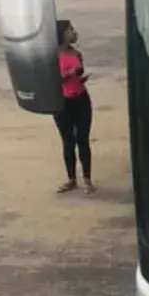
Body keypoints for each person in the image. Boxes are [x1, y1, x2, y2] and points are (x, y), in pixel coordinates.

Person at [54, 19, 95, 194]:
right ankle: (71, 178)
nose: (73, 32)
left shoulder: (76, 54)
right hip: (62, 102)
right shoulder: (53, 56)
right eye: (70, 29)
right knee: (68, 141)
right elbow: (52, 80)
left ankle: (87, 179)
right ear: (62, 33)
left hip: (80, 99)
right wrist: (69, 74)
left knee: (83, 139)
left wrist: (81, 78)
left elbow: (77, 76)